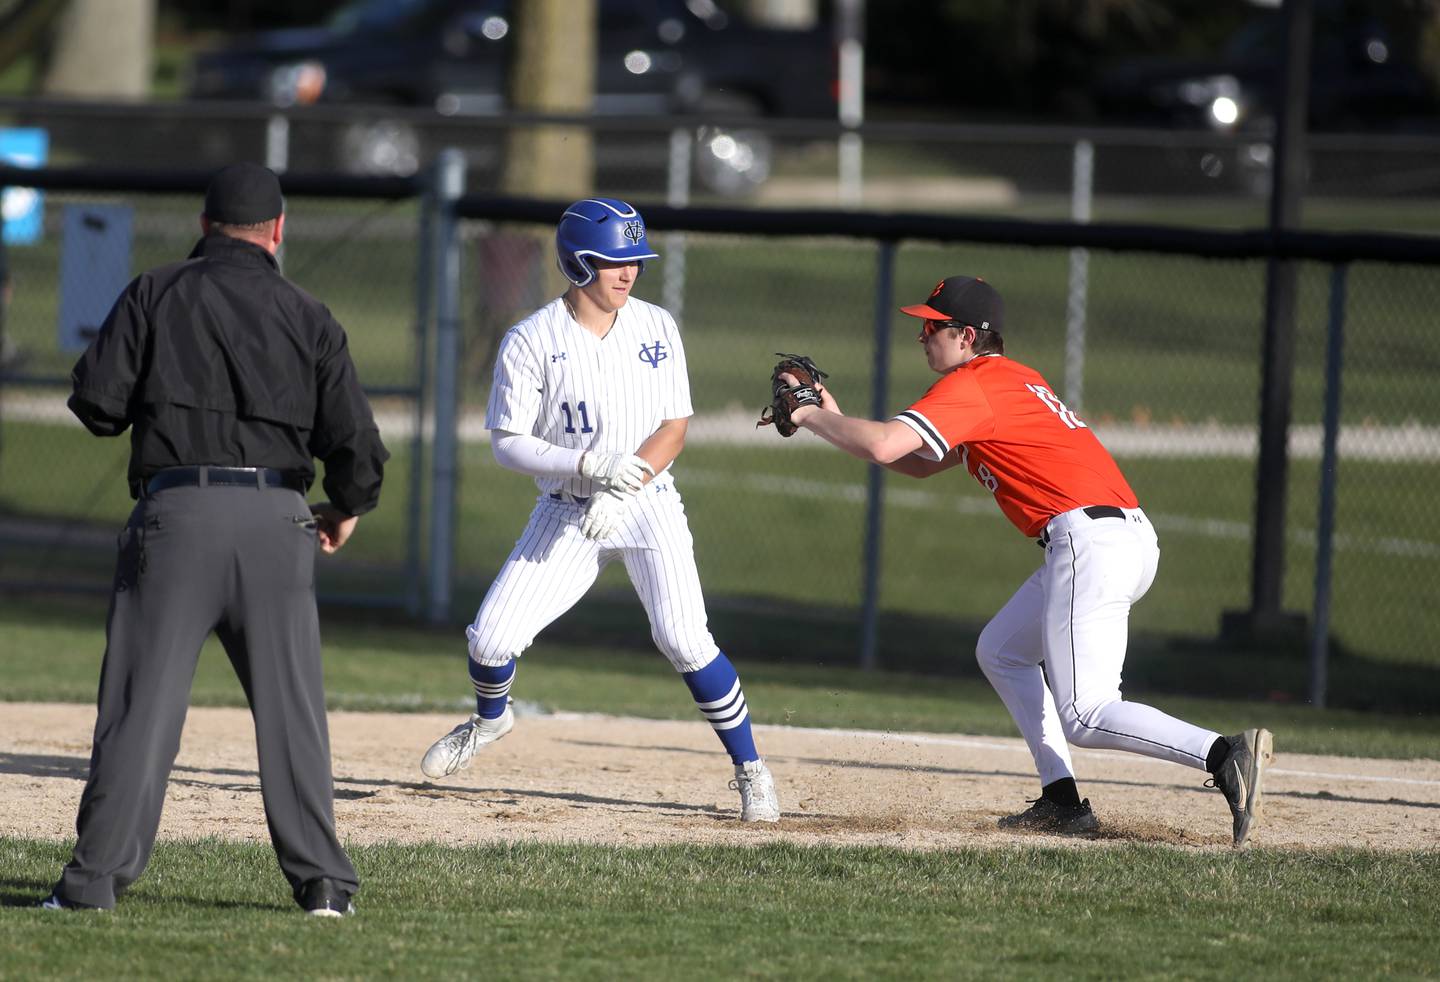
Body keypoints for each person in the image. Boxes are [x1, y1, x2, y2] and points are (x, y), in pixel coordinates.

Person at [775, 274, 1272, 845]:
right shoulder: (1011, 380)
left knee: (1086, 714)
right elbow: (914, 460)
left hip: (1089, 542)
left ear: (965, 337)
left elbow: (885, 444)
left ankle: (1223, 754)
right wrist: (832, 415)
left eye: (930, 327)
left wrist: (810, 414)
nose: (921, 337)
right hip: (1120, 538)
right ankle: (1061, 801)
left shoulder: (975, 385)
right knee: (1003, 650)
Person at [43, 163, 389, 914]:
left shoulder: (156, 291)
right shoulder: (308, 312)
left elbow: (96, 405)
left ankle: (93, 885)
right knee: (292, 712)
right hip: (278, 520)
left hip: (177, 516)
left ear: (203, 227)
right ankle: (324, 886)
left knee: (141, 710)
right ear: (278, 231)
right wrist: (346, 504)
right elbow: (357, 446)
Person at [419, 197, 780, 823]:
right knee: (490, 639)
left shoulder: (656, 325)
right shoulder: (531, 338)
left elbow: (675, 425)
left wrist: (624, 484)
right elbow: (508, 442)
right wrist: (589, 467)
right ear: (577, 263)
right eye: (613, 260)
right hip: (566, 508)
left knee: (684, 639)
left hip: (647, 502)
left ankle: (751, 771)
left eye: (634, 260)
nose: (628, 272)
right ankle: (490, 720)